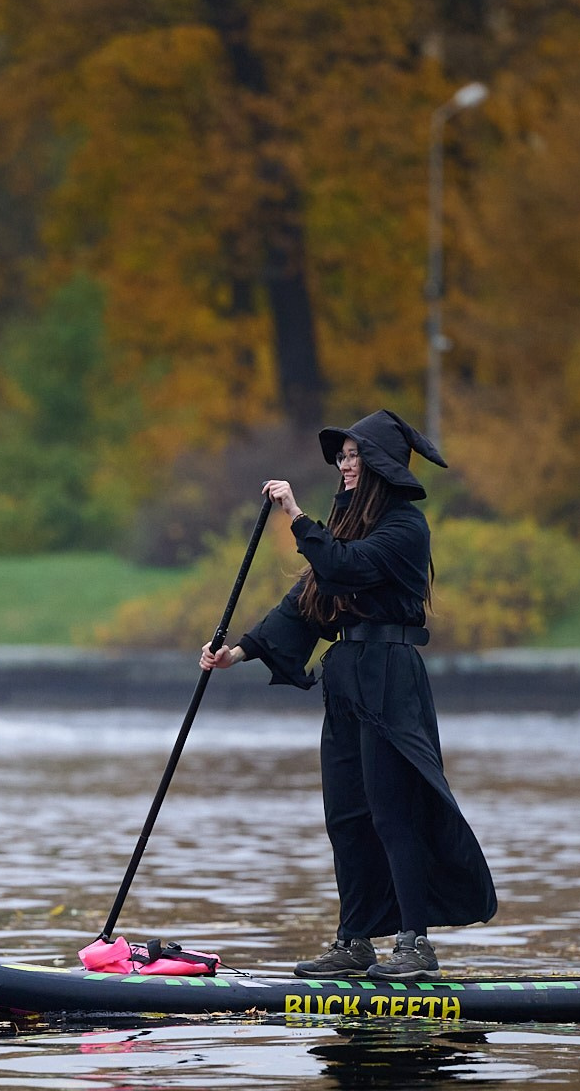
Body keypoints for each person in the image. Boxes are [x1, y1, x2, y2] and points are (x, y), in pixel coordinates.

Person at [199, 410, 497, 979]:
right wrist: (237, 653)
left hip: (390, 675)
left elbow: (343, 568)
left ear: (382, 466)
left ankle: (414, 945)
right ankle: (354, 941)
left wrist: (295, 515)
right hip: (347, 677)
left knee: (392, 813)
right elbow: (308, 600)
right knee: (347, 816)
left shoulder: (406, 528)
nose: (345, 464)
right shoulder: (344, 530)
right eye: (343, 457)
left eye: (356, 456)